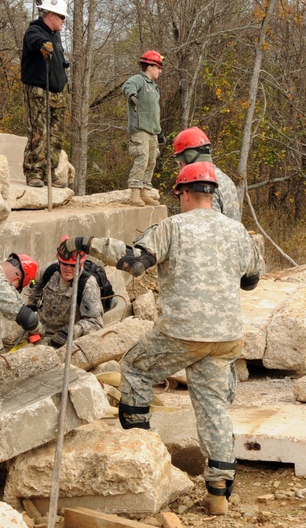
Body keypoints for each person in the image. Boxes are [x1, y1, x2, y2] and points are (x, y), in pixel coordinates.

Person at [59, 162, 262, 516]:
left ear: (183, 193)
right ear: (211, 194)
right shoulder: (237, 231)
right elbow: (251, 279)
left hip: (182, 333)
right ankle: (219, 491)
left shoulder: (172, 227)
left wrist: (86, 243)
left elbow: (135, 262)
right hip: (226, 336)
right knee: (213, 405)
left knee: (135, 367)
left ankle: (143, 452)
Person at [21, 0, 69, 188]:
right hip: (40, 91)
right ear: (50, 15)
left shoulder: (56, 35)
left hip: (58, 92)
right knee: (39, 132)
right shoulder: (35, 30)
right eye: (61, 17)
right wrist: (42, 45)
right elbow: (34, 40)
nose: (64, 21)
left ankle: (49, 172)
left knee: (56, 135)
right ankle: (34, 172)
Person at [20, 236, 104, 347]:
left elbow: (95, 322)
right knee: (9, 343)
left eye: (73, 266)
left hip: (62, 339)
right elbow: (35, 285)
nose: (68, 269)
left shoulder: (88, 285)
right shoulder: (49, 270)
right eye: (64, 264)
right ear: (59, 262)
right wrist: (31, 305)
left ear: (81, 264)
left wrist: (70, 332)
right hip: (39, 329)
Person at [122, 50, 165, 207]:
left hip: (152, 130)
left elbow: (154, 111)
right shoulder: (138, 80)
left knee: (152, 160)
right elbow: (128, 86)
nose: (160, 71)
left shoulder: (154, 87)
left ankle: (144, 191)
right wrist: (132, 94)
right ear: (150, 66)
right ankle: (134, 192)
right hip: (139, 129)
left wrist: (159, 131)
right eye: (158, 67)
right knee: (142, 158)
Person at [173, 127, 241, 222]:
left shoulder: (202, 182)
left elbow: (207, 226)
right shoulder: (225, 178)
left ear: (188, 158)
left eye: (180, 162)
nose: (180, 167)